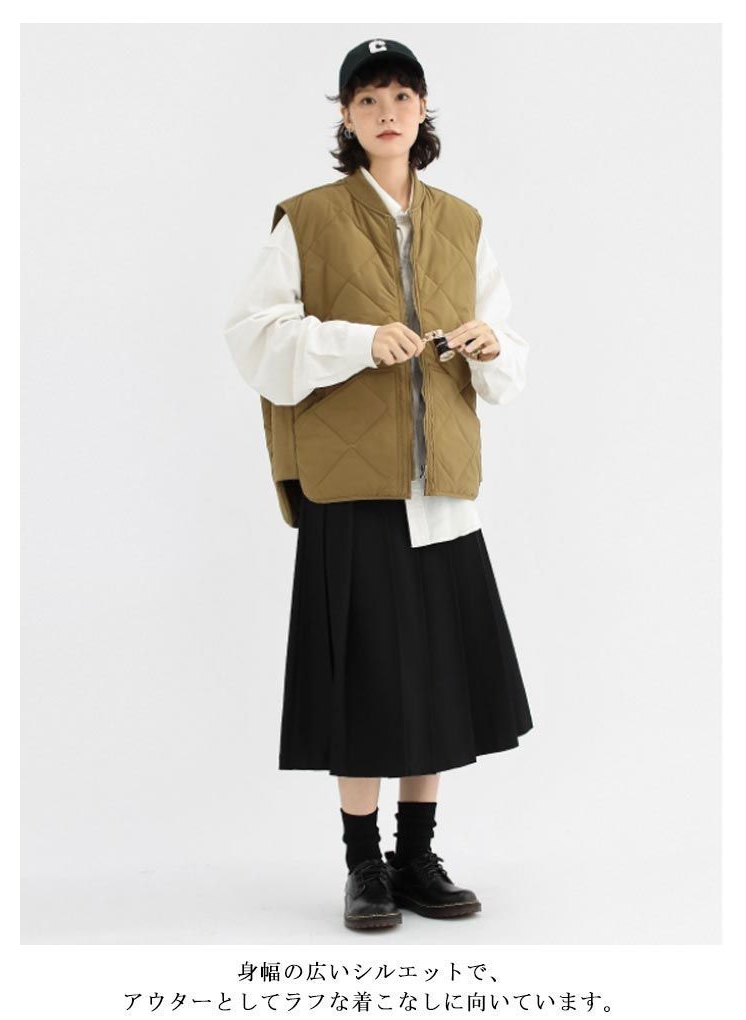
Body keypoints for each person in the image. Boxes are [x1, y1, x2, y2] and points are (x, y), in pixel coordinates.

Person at [223, 38, 534, 931]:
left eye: (401, 95)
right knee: (360, 681)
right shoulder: (308, 218)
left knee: (434, 680)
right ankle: (364, 865)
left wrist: (489, 345)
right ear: (346, 118)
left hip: (442, 489)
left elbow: (508, 352)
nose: (386, 112)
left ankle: (416, 857)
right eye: (367, 99)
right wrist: (357, 342)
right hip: (350, 486)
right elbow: (253, 336)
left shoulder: (463, 222)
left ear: (423, 109)